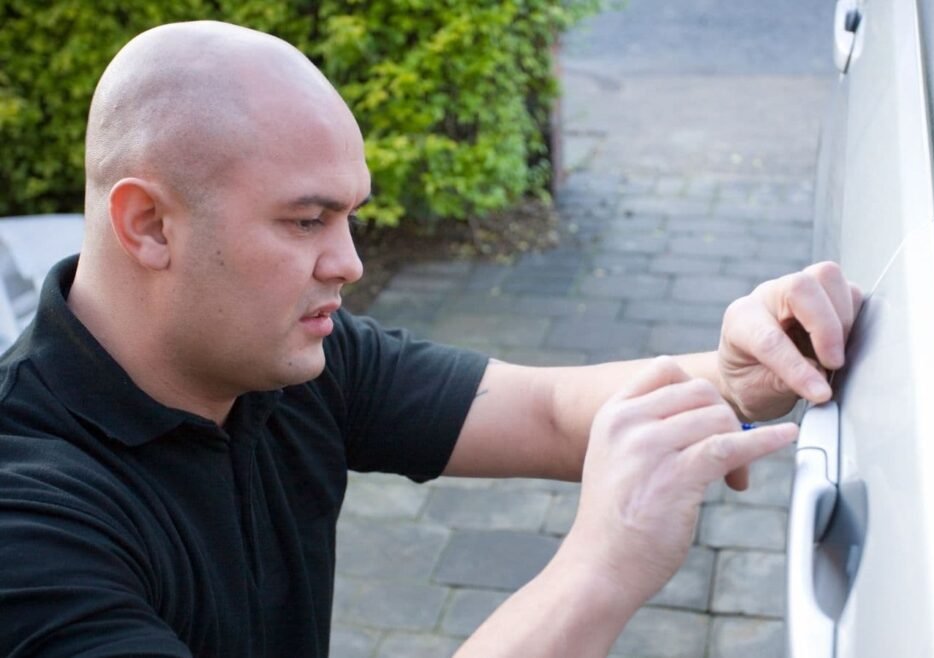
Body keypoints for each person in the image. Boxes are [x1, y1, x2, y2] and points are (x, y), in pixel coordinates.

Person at [0, 20, 861, 658]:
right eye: (307, 220)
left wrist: (743, 375)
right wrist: (599, 568)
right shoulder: (29, 527)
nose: (348, 263)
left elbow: (556, 414)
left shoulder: (294, 364)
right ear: (149, 225)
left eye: (348, 216)